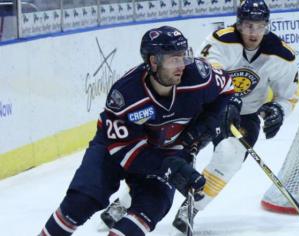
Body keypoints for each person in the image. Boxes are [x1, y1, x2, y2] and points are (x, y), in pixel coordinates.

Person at [100, 0, 299, 233]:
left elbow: (288, 97)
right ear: (238, 24)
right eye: (247, 25)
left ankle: (192, 208)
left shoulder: (282, 54)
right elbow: (209, 78)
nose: (253, 32)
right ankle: (125, 202)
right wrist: (224, 105)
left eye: (259, 26)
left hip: (245, 116)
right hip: (206, 108)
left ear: (267, 26)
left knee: (231, 155)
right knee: (173, 156)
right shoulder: (221, 41)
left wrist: (278, 110)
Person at [39, 25, 241, 236]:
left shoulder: (199, 75)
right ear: (154, 61)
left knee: (150, 208)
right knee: (81, 201)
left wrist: (225, 111)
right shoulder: (126, 94)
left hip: (167, 149)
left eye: (183, 56)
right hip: (114, 149)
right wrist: (169, 166)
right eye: (173, 59)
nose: (181, 65)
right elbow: (124, 151)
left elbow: (227, 89)